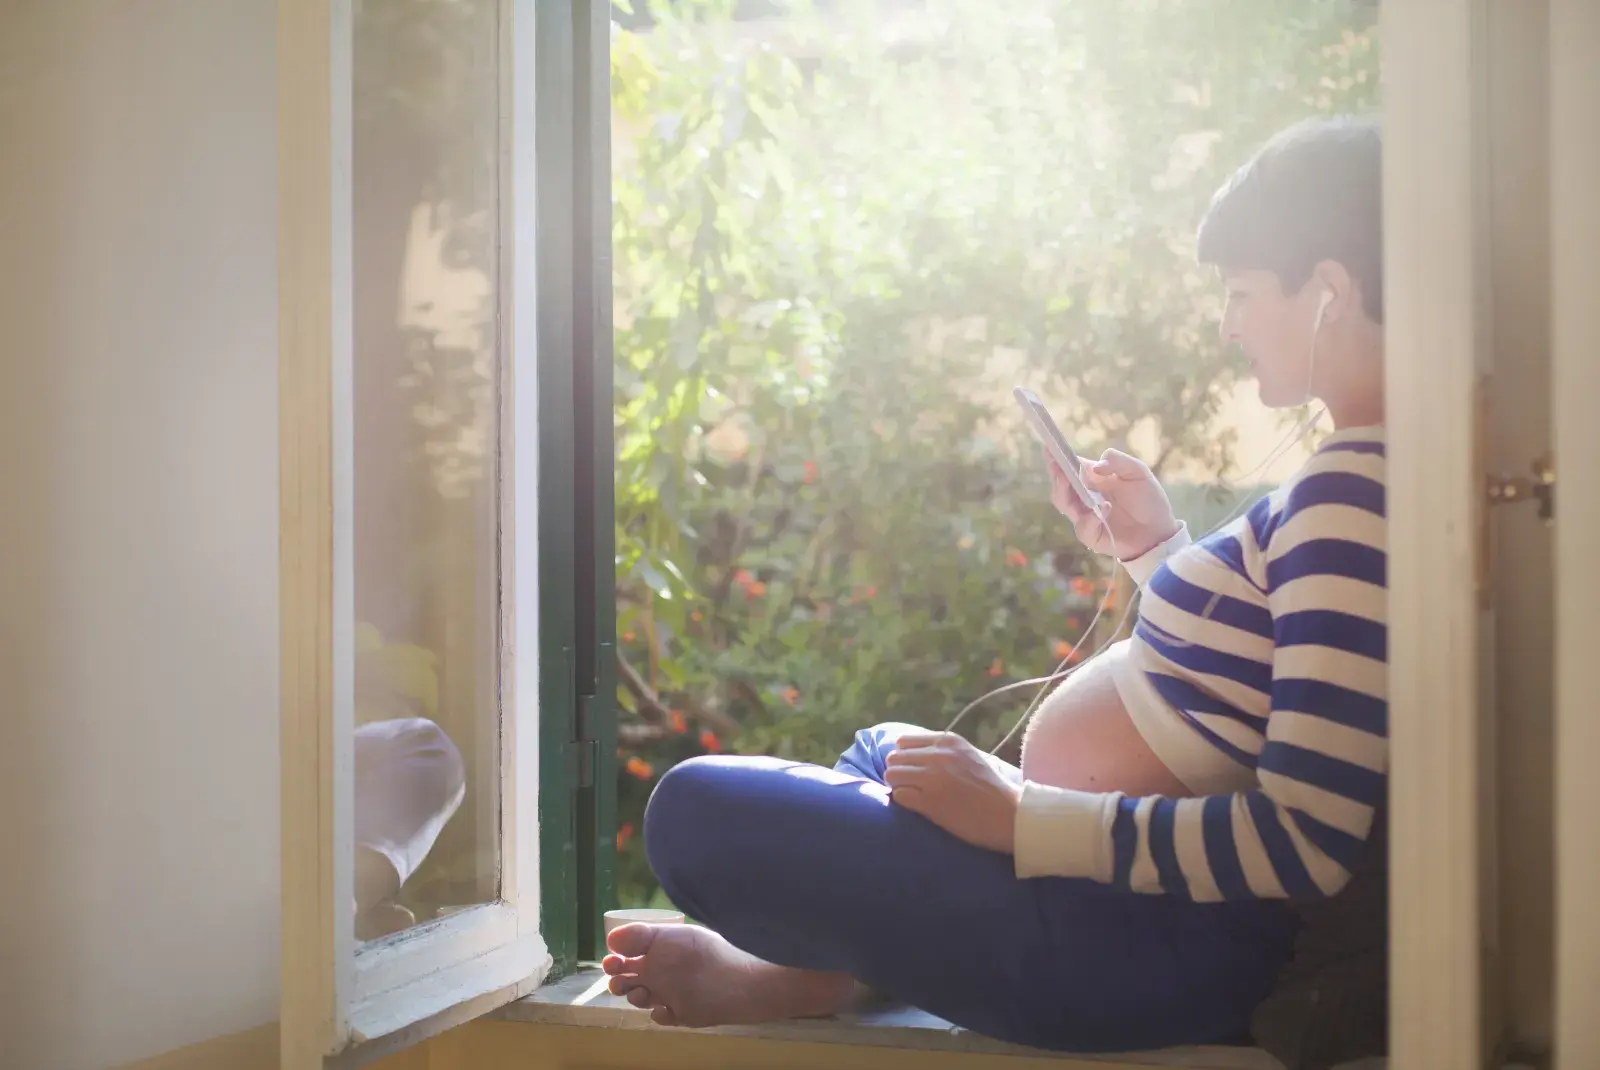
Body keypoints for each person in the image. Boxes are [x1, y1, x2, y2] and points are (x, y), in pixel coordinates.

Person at [603, 114, 1387, 1054]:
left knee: (694, 812)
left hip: (1150, 946)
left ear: (1331, 294)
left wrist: (1020, 820)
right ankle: (827, 973)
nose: (1227, 324)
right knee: (888, 750)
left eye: (1245, 293)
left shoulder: (1352, 491)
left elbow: (1305, 839)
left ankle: (825, 974)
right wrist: (1150, 548)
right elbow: (1249, 681)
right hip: (1131, 916)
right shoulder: (1362, 481)